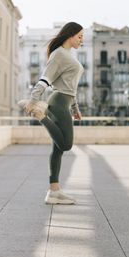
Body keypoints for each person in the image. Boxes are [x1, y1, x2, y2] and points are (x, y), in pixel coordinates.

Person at [18, 22, 84, 205]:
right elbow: (45, 79)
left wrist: (75, 109)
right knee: (66, 145)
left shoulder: (67, 55)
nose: (81, 40)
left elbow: (71, 87)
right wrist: (33, 100)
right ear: (70, 35)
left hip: (65, 101)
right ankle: (41, 115)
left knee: (57, 150)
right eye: (79, 36)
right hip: (58, 103)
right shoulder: (59, 55)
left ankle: (54, 192)